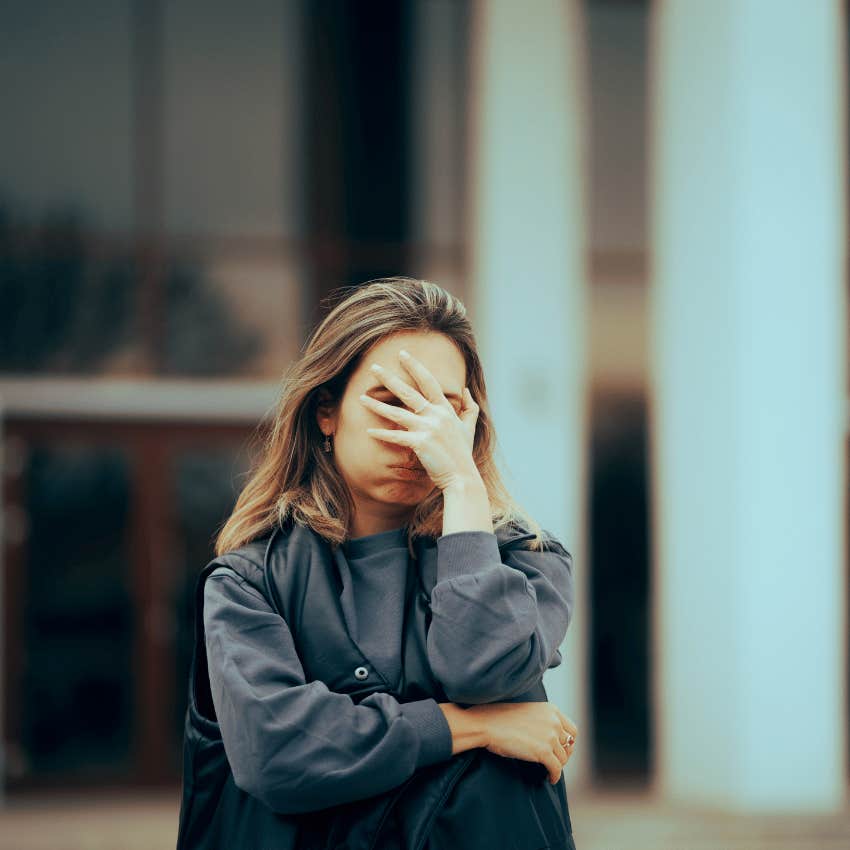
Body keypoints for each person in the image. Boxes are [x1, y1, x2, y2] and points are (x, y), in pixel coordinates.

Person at [175, 276, 579, 850]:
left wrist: (463, 486)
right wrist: (475, 727)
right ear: (326, 411)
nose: (420, 433)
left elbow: (484, 672)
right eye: (394, 402)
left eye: (443, 408)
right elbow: (278, 751)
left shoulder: (528, 560)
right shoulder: (251, 580)